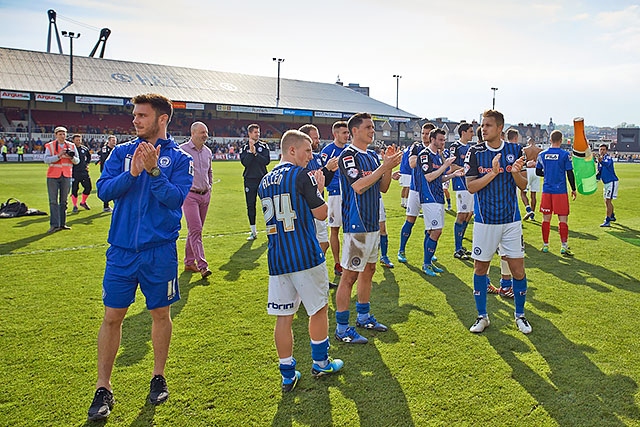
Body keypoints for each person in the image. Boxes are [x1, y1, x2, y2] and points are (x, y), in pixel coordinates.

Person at [88, 93, 193, 421]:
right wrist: (132, 173)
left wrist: (153, 173)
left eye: (142, 116)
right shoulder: (120, 153)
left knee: (161, 314)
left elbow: (175, 200)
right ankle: (103, 386)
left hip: (159, 251)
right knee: (112, 317)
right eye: (134, 115)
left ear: (162, 119)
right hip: (120, 251)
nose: (135, 120)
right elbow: (103, 191)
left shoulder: (178, 158)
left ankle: (158, 376)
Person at [258, 129, 344, 392]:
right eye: (307, 150)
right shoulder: (300, 175)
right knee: (317, 309)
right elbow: (321, 213)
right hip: (305, 254)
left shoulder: (264, 181)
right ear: (291, 150)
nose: (310, 156)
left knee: (283, 317)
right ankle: (320, 362)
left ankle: (287, 374)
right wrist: (318, 188)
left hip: (277, 257)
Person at [334, 112, 403, 344]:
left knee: (369, 271)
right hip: (357, 224)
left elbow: (382, 188)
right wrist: (382, 167)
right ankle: (342, 328)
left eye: (373, 127)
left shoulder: (373, 156)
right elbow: (359, 186)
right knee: (349, 276)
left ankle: (363, 316)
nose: (372, 131)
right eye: (368, 128)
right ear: (354, 131)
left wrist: (388, 167)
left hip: (373, 223)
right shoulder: (348, 156)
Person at [465, 110, 531, 335]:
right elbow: (471, 187)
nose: (483, 129)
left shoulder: (514, 150)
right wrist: (493, 173)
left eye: (488, 125)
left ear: (500, 128)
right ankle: (482, 316)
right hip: (485, 222)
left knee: (518, 270)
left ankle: (520, 315)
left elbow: (523, 186)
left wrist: (514, 172)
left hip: (511, 221)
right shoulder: (475, 152)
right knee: (480, 268)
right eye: (482, 125)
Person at [417, 128, 465, 276]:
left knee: (432, 230)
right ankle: (426, 264)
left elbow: (440, 178)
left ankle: (429, 262)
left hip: (438, 197)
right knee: (436, 231)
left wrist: (453, 174)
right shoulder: (425, 155)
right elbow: (429, 177)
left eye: (444, 140)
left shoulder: (437, 156)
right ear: (432, 139)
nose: (443, 143)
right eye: (440, 140)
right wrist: (445, 166)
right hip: (428, 196)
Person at [298, 124, 339, 287]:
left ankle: (316, 277)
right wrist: (326, 168)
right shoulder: (301, 161)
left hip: (319, 204)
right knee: (313, 244)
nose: (318, 140)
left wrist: (330, 171)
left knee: (323, 243)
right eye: (314, 137)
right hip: (308, 209)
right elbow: (306, 181)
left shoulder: (317, 157)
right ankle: (310, 278)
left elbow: (324, 181)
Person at [397, 123, 436, 263]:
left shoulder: (439, 150)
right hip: (415, 189)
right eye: (423, 133)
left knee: (431, 225)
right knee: (410, 220)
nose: (425, 136)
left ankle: (428, 253)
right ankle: (401, 250)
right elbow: (413, 163)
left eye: (428, 133)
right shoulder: (416, 147)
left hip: (432, 192)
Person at [180, 121, 213, 279]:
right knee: (196, 230)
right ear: (192, 133)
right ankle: (202, 266)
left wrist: (210, 187)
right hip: (190, 195)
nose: (205, 135)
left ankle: (188, 262)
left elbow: (210, 172)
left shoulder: (207, 152)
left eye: (206, 132)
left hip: (205, 194)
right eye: (202, 132)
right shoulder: (182, 151)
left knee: (194, 231)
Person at [537, 130, 577, 255]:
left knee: (546, 219)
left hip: (547, 190)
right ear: (561, 140)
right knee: (563, 219)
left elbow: (538, 172)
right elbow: (569, 173)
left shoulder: (542, 154)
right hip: (560, 191)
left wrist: (547, 174)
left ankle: (545, 245)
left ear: (550, 140)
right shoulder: (565, 155)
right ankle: (564, 246)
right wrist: (574, 189)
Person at [320, 121, 350, 277]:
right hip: (335, 195)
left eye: (347, 133)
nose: (347, 135)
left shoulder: (350, 150)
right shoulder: (328, 151)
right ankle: (338, 263)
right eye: (344, 133)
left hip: (350, 194)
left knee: (350, 229)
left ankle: (349, 261)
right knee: (335, 229)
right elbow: (322, 174)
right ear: (335, 134)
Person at [43, 126, 79, 233]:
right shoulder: (50, 146)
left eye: (64, 134)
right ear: (56, 135)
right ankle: (54, 224)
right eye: (60, 134)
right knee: (53, 201)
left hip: (67, 175)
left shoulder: (71, 146)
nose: (62, 136)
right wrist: (58, 156)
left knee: (64, 201)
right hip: (53, 175)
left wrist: (71, 157)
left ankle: (62, 223)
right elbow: (46, 160)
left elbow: (77, 161)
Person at [448, 122, 474, 260]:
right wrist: (465, 170)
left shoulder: (470, 148)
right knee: (461, 215)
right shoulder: (455, 147)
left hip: (470, 185)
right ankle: (457, 249)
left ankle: (460, 245)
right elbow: (451, 166)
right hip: (460, 184)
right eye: (470, 131)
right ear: (463, 132)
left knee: (468, 214)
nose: (473, 134)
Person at [240, 124, 270, 240]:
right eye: (255, 132)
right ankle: (253, 231)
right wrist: (251, 152)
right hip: (249, 179)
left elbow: (266, 161)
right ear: (249, 133)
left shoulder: (264, 146)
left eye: (258, 132)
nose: (257, 134)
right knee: (250, 205)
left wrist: (256, 154)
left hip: (263, 178)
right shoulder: (244, 147)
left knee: (267, 204)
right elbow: (245, 163)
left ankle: (270, 230)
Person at [520, 136, 543, 221]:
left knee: (523, 192)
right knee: (533, 195)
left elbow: (522, 160)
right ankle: (532, 215)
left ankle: (528, 209)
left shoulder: (525, 149)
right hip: (536, 170)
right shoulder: (539, 150)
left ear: (528, 142)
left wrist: (527, 163)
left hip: (528, 170)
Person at [597, 144, 619, 227]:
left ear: (606, 151)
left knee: (608, 200)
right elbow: (599, 172)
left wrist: (601, 161)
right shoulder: (600, 161)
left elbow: (607, 164)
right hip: (606, 183)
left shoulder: (608, 158)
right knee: (607, 201)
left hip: (611, 182)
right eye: (601, 149)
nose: (602, 151)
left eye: (603, 149)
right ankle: (611, 215)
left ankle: (607, 220)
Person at [70, 134, 93, 212]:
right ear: (73, 140)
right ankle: (75, 205)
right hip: (74, 172)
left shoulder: (84, 148)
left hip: (84, 171)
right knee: (74, 189)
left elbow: (89, 157)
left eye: (79, 140)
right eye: (76, 140)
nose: (78, 141)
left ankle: (83, 202)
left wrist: (86, 164)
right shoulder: (71, 149)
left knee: (88, 187)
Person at [97, 136, 117, 212]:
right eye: (112, 140)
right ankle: (106, 206)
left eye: (115, 140)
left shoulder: (116, 148)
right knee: (108, 187)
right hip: (107, 171)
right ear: (108, 141)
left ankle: (116, 205)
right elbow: (106, 160)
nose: (114, 142)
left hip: (115, 171)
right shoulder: (105, 149)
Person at [398, 144, 412, 208]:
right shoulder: (410, 152)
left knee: (404, 187)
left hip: (402, 171)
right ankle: (406, 203)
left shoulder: (405, 151)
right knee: (408, 187)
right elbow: (408, 162)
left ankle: (402, 202)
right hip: (408, 172)